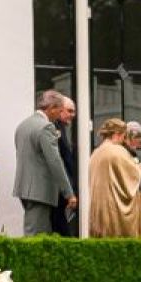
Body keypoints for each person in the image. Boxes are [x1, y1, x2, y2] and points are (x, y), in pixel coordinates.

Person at [12, 91, 78, 236]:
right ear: (52, 108)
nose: (59, 116)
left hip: (24, 189)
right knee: (36, 236)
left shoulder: (23, 125)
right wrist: (69, 193)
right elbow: (55, 162)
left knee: (38, 233)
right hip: (40, 191)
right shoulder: (47, 127)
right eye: (59, 111)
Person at [84, 118, 141, 238]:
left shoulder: (96, 152)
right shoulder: (117, 151)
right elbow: (129, 178)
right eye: (123, 136)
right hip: (114, 211)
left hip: (99, 211)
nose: (124, 140)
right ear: (117, 134)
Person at [55, 98, 84, 237]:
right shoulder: (54, 128)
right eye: (70, 111)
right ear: (59, 109)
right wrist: (68, 192)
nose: (73, 115)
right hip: (59, 192)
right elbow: (58, 161)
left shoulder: (62, 129)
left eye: (74, 111)